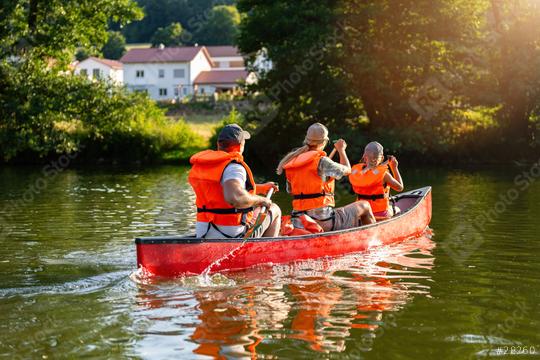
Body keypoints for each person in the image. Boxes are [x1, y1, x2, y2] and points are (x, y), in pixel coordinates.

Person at [276, 123, 375, 232]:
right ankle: (375, 238)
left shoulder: (292, 162)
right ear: (324, 142)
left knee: (337, 211)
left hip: (298, 221)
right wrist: (341, 150)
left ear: (306, 140)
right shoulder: (322, 161)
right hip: (323, 221)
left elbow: (290, 191)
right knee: (364, 205)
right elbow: (347, 170)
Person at [189, 124, 281, 238]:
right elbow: (235, 197)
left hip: (204, 233)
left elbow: (222, 189)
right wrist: (262, 200)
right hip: (232, 236)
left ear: (218, 144)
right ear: (240, 145)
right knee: (274, 209)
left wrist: (261, 188)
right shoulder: (234, 167)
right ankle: (266, 251)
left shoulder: (206, 166)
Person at [348, 141, 404, 218]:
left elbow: (370, 172)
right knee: (397, 209)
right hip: (380, 213)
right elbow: (400, 188)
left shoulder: (356, 172)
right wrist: (394, 168)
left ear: (364, 157)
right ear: (382, 158)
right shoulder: (384, 175)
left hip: (360, 212)